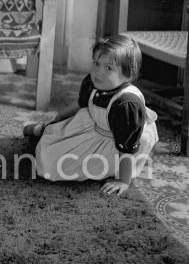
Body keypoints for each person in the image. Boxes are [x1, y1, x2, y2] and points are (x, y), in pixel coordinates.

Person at [24, 34, 159, 195]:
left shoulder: (126, 105)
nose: (98, 72)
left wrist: (123, 180)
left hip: (118, 142)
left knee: (57, 165)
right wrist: (60, 117)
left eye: (108, 68)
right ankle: (45, 128)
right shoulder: (93, 81)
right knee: (55, 135)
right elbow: (82, 102)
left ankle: (45, 131)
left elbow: (127, 148)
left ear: (128, 75)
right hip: (95, 124)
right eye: (96, 63)